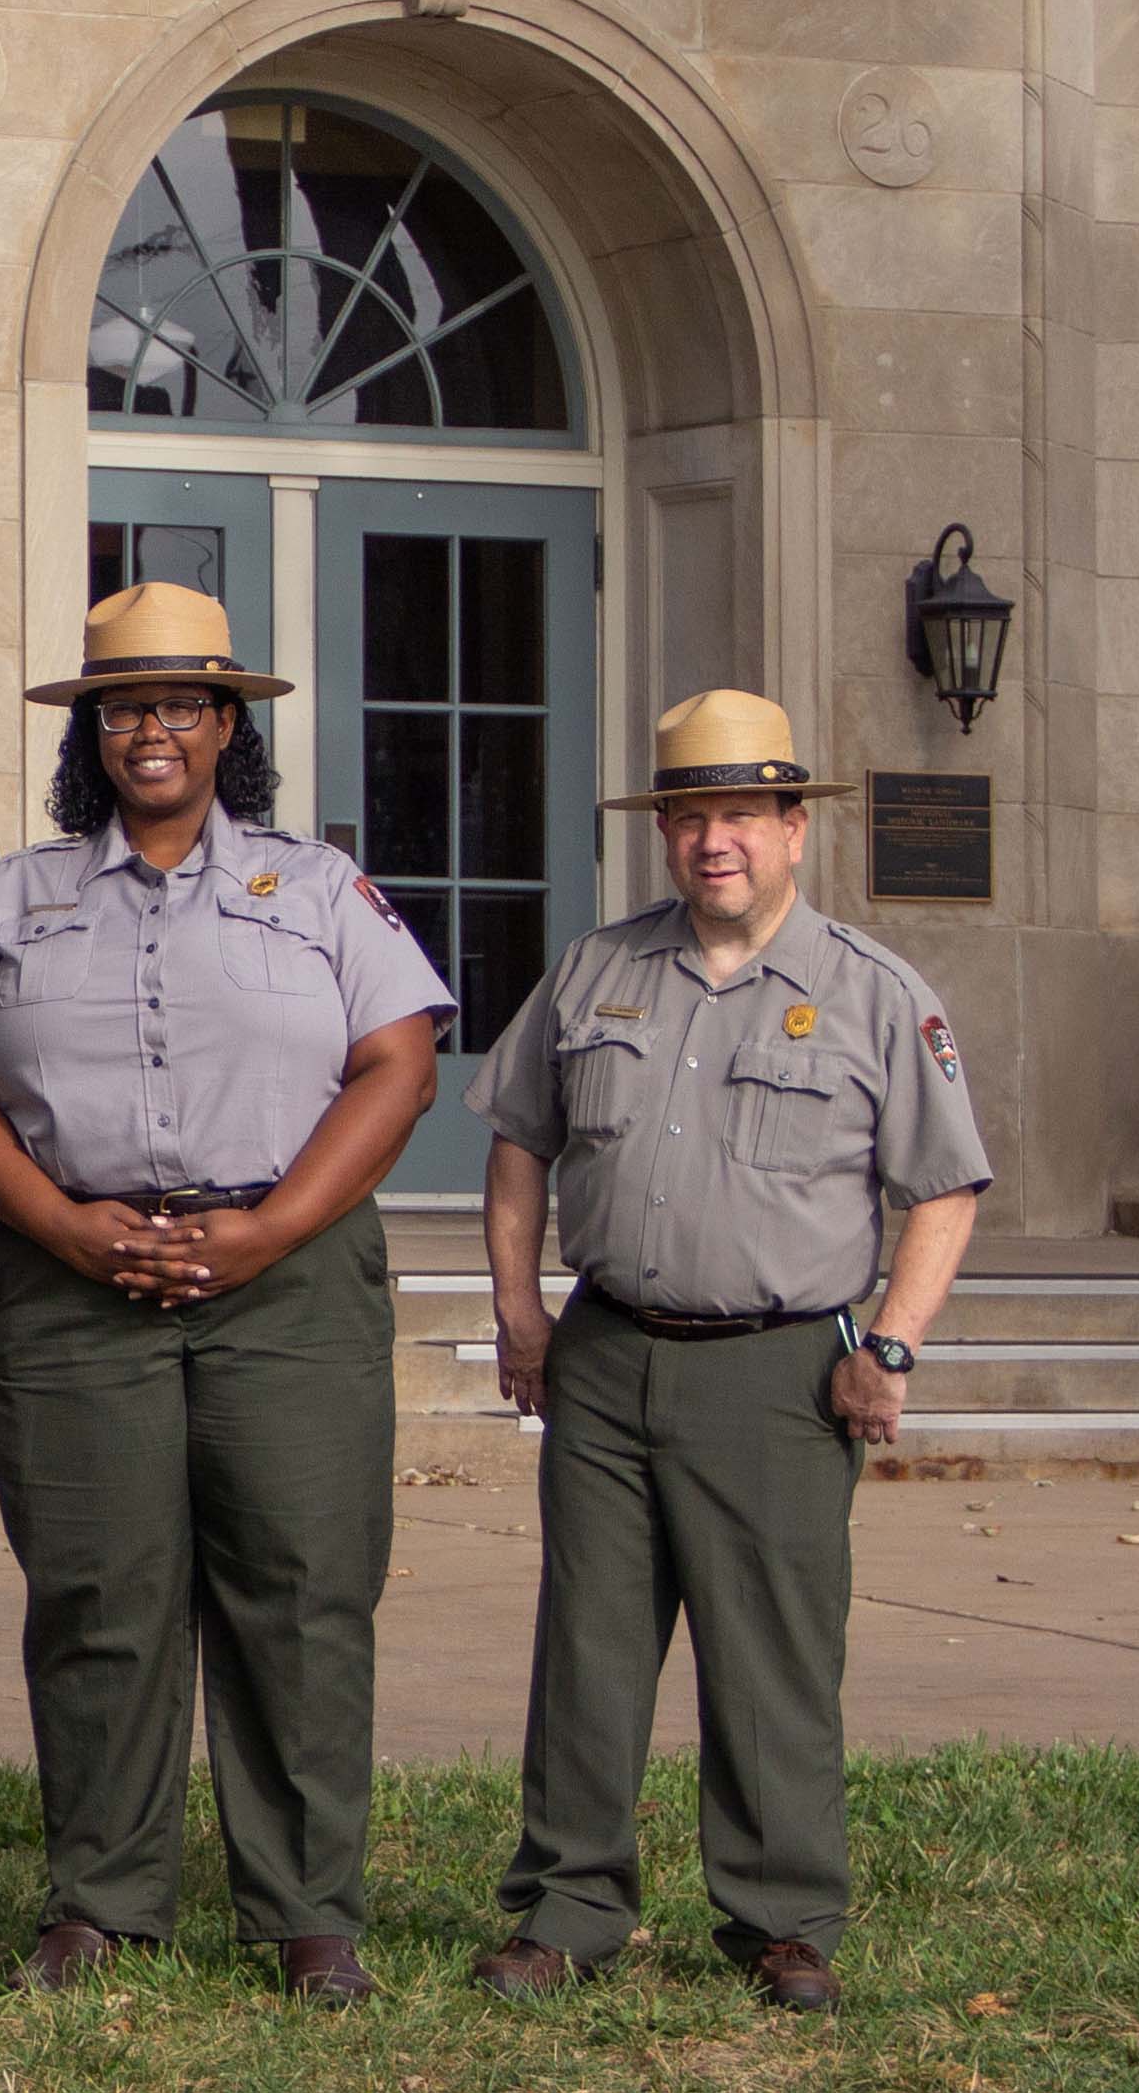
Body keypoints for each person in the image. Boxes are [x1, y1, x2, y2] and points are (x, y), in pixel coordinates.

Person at [0, 582, 449, 2004]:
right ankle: (100, 1896)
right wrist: (57, 1221)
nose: (151, 729)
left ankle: (307, 1910)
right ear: (90, 728)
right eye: (123, 704)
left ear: (224, 728)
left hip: (287, 1286)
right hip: (74, 1289)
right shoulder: (18, 896)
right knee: (98, 1595)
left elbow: (398, 1061)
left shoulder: (318, 890)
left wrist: (268, 1228)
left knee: (300, 1594)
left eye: (181, 704)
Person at [459, 692, 989, 2020]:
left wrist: (895, 1346)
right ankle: (567, 1906)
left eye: (739, 813)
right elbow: (519, 1139)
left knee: (771, 1659)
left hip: (775, 1368)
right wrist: (518, 1309)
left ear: (791, 829)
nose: (711, 840)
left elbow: (941, 1187)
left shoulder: (870, 992)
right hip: (606, 1350)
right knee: (584, 1644)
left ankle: (777, 1919)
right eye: (688, 814)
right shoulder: (593, 971)